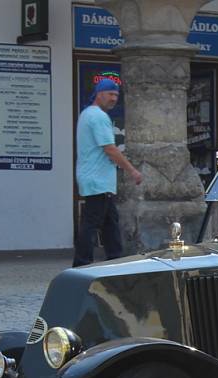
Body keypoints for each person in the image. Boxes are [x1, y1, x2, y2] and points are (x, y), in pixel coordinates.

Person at [73, 78, 142, 267]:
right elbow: (110, 149)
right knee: (91, 223)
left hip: (96, 179)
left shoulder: (87, 114)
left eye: (116, 95)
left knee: (110, 221)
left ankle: (115, 258)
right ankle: (81, 262)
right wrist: (132, 171)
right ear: (99, 94)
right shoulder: (98, 117)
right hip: (98, 179)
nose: (114, 98)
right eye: (110, 94)